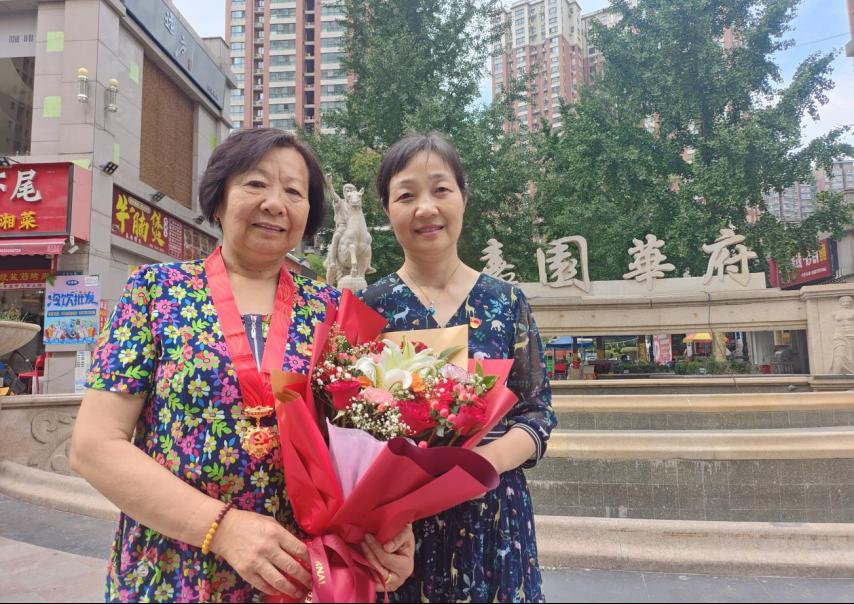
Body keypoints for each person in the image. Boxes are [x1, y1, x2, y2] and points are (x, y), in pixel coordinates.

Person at [70, 128, 414, 603]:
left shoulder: (333, 309)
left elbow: (364, 446)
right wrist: (222, 529)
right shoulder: (155, 290)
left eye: (294, 192)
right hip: (174, 570)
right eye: (255, 184)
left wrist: (388, 530)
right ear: (218, 199)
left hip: (299, 575)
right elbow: (93, 446)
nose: (275, 203)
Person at [359, 133, 557, 602]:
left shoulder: (506, 302)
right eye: (406, 195)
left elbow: (537, 412)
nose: (425, 208)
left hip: (494, 518)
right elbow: (351, 428)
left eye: (440, 189)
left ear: (464, 197)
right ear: (387, 210)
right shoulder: (369, 308)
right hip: (401, 533)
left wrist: (481, 464)